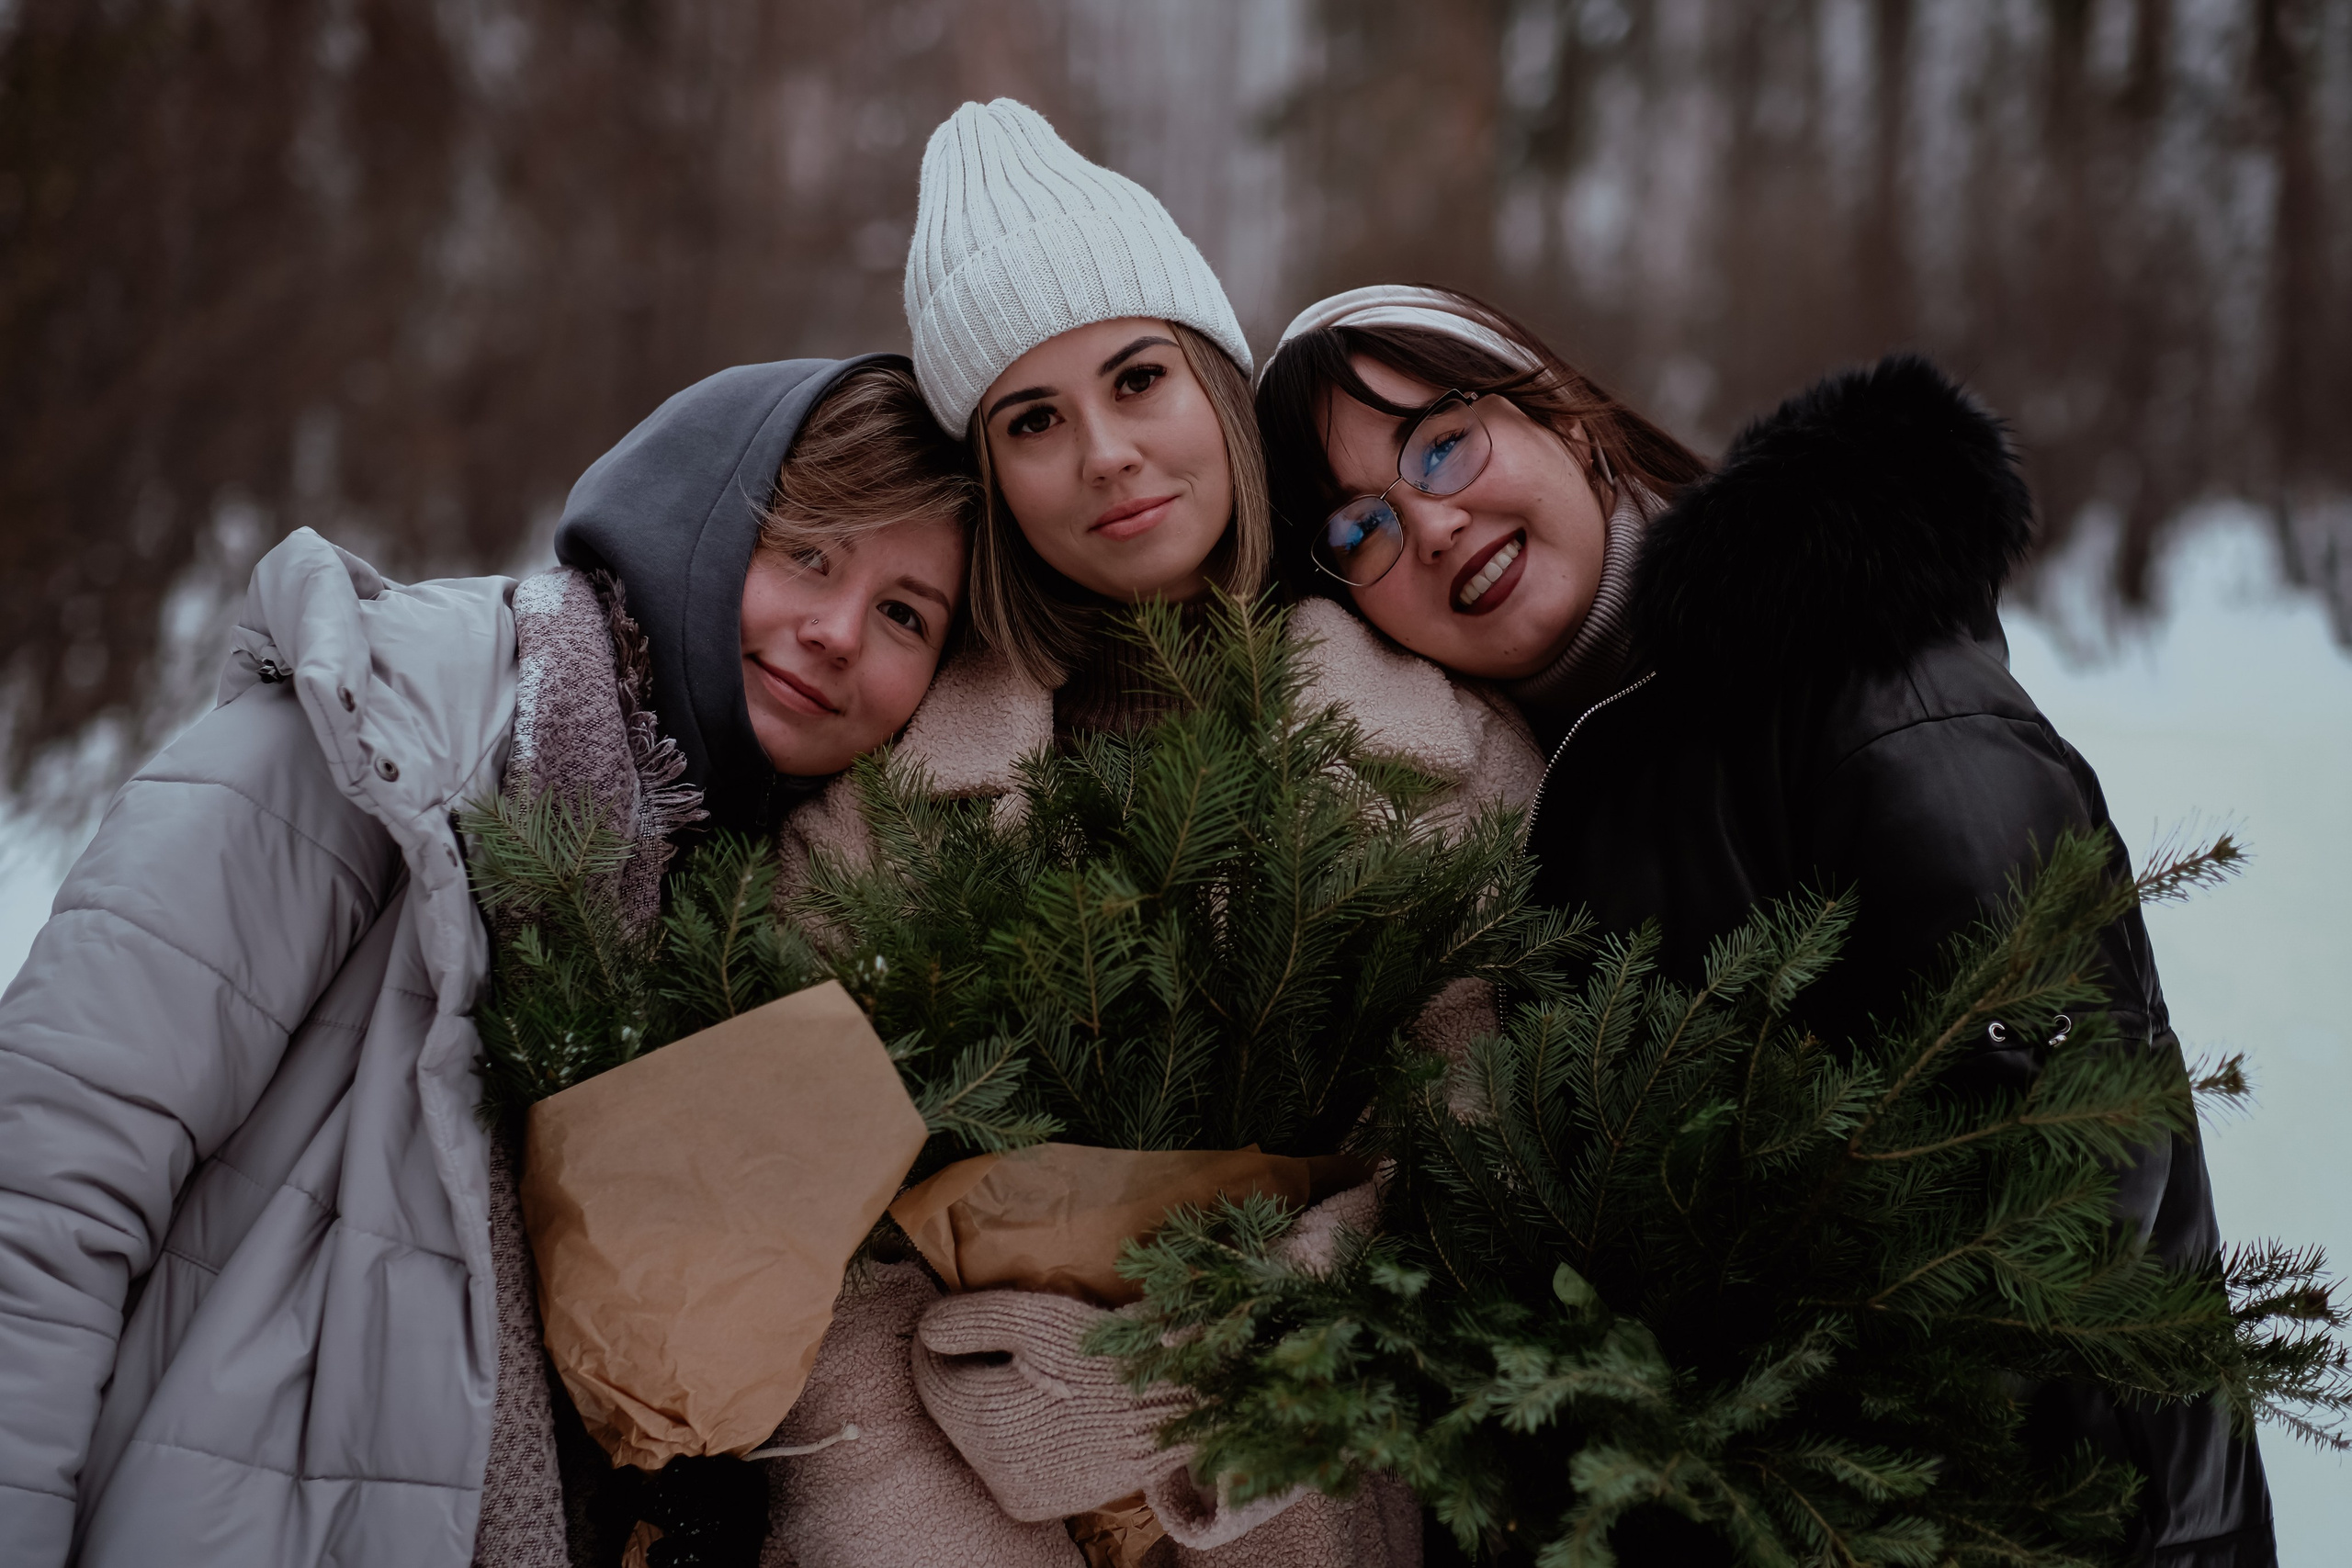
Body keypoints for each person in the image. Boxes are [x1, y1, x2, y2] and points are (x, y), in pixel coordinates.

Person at [1252, 285, 2276, 1567]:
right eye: (1363, 528)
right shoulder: (1517, 806)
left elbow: (2056, 1170)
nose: (1434, 524)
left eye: (1441, 445)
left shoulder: (1864, 682)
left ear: (1561, 414)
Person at [0, 353, 978, 1568]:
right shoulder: (387, 726)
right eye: (808, 555)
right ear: (698, 523)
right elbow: (44, 1184)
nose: (835, 633)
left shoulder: (759, 926)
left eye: (905, 615)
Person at [765, 102, 1500, 1568]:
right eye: (1033, 421)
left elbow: (1496, 1144)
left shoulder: (1445, 746)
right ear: (991, 477)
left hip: (1325, 1506)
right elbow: (810, 1255)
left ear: (1216, 386)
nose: (1106, 455)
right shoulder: (881, 816)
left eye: (1137, 377)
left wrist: (1226, 1375)